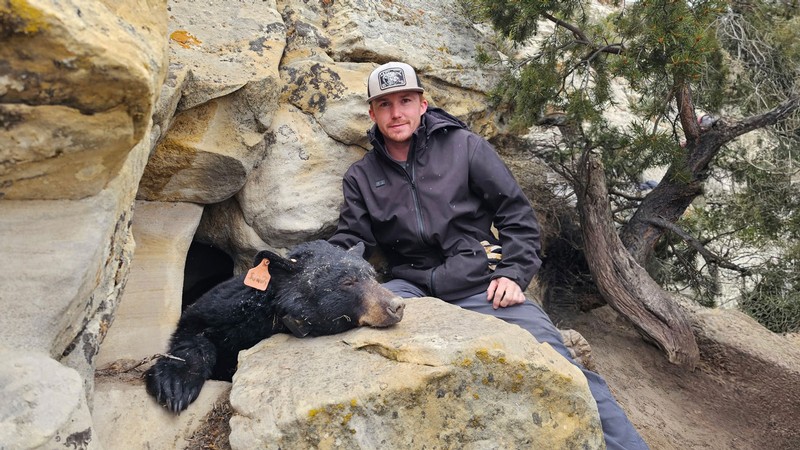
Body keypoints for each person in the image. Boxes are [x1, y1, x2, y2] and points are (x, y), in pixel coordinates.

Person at [329, 61, 649, 450]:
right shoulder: (361, 177)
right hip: (410, 289)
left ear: (423, 104)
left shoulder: (464, 147)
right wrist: (310, 267)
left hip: (481, 283)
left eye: (405, 101)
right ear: (372, 113)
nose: (396, 113)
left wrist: (513, 274)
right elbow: (352, 241)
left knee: (560, 363)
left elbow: (517, 215)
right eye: (385, 104)